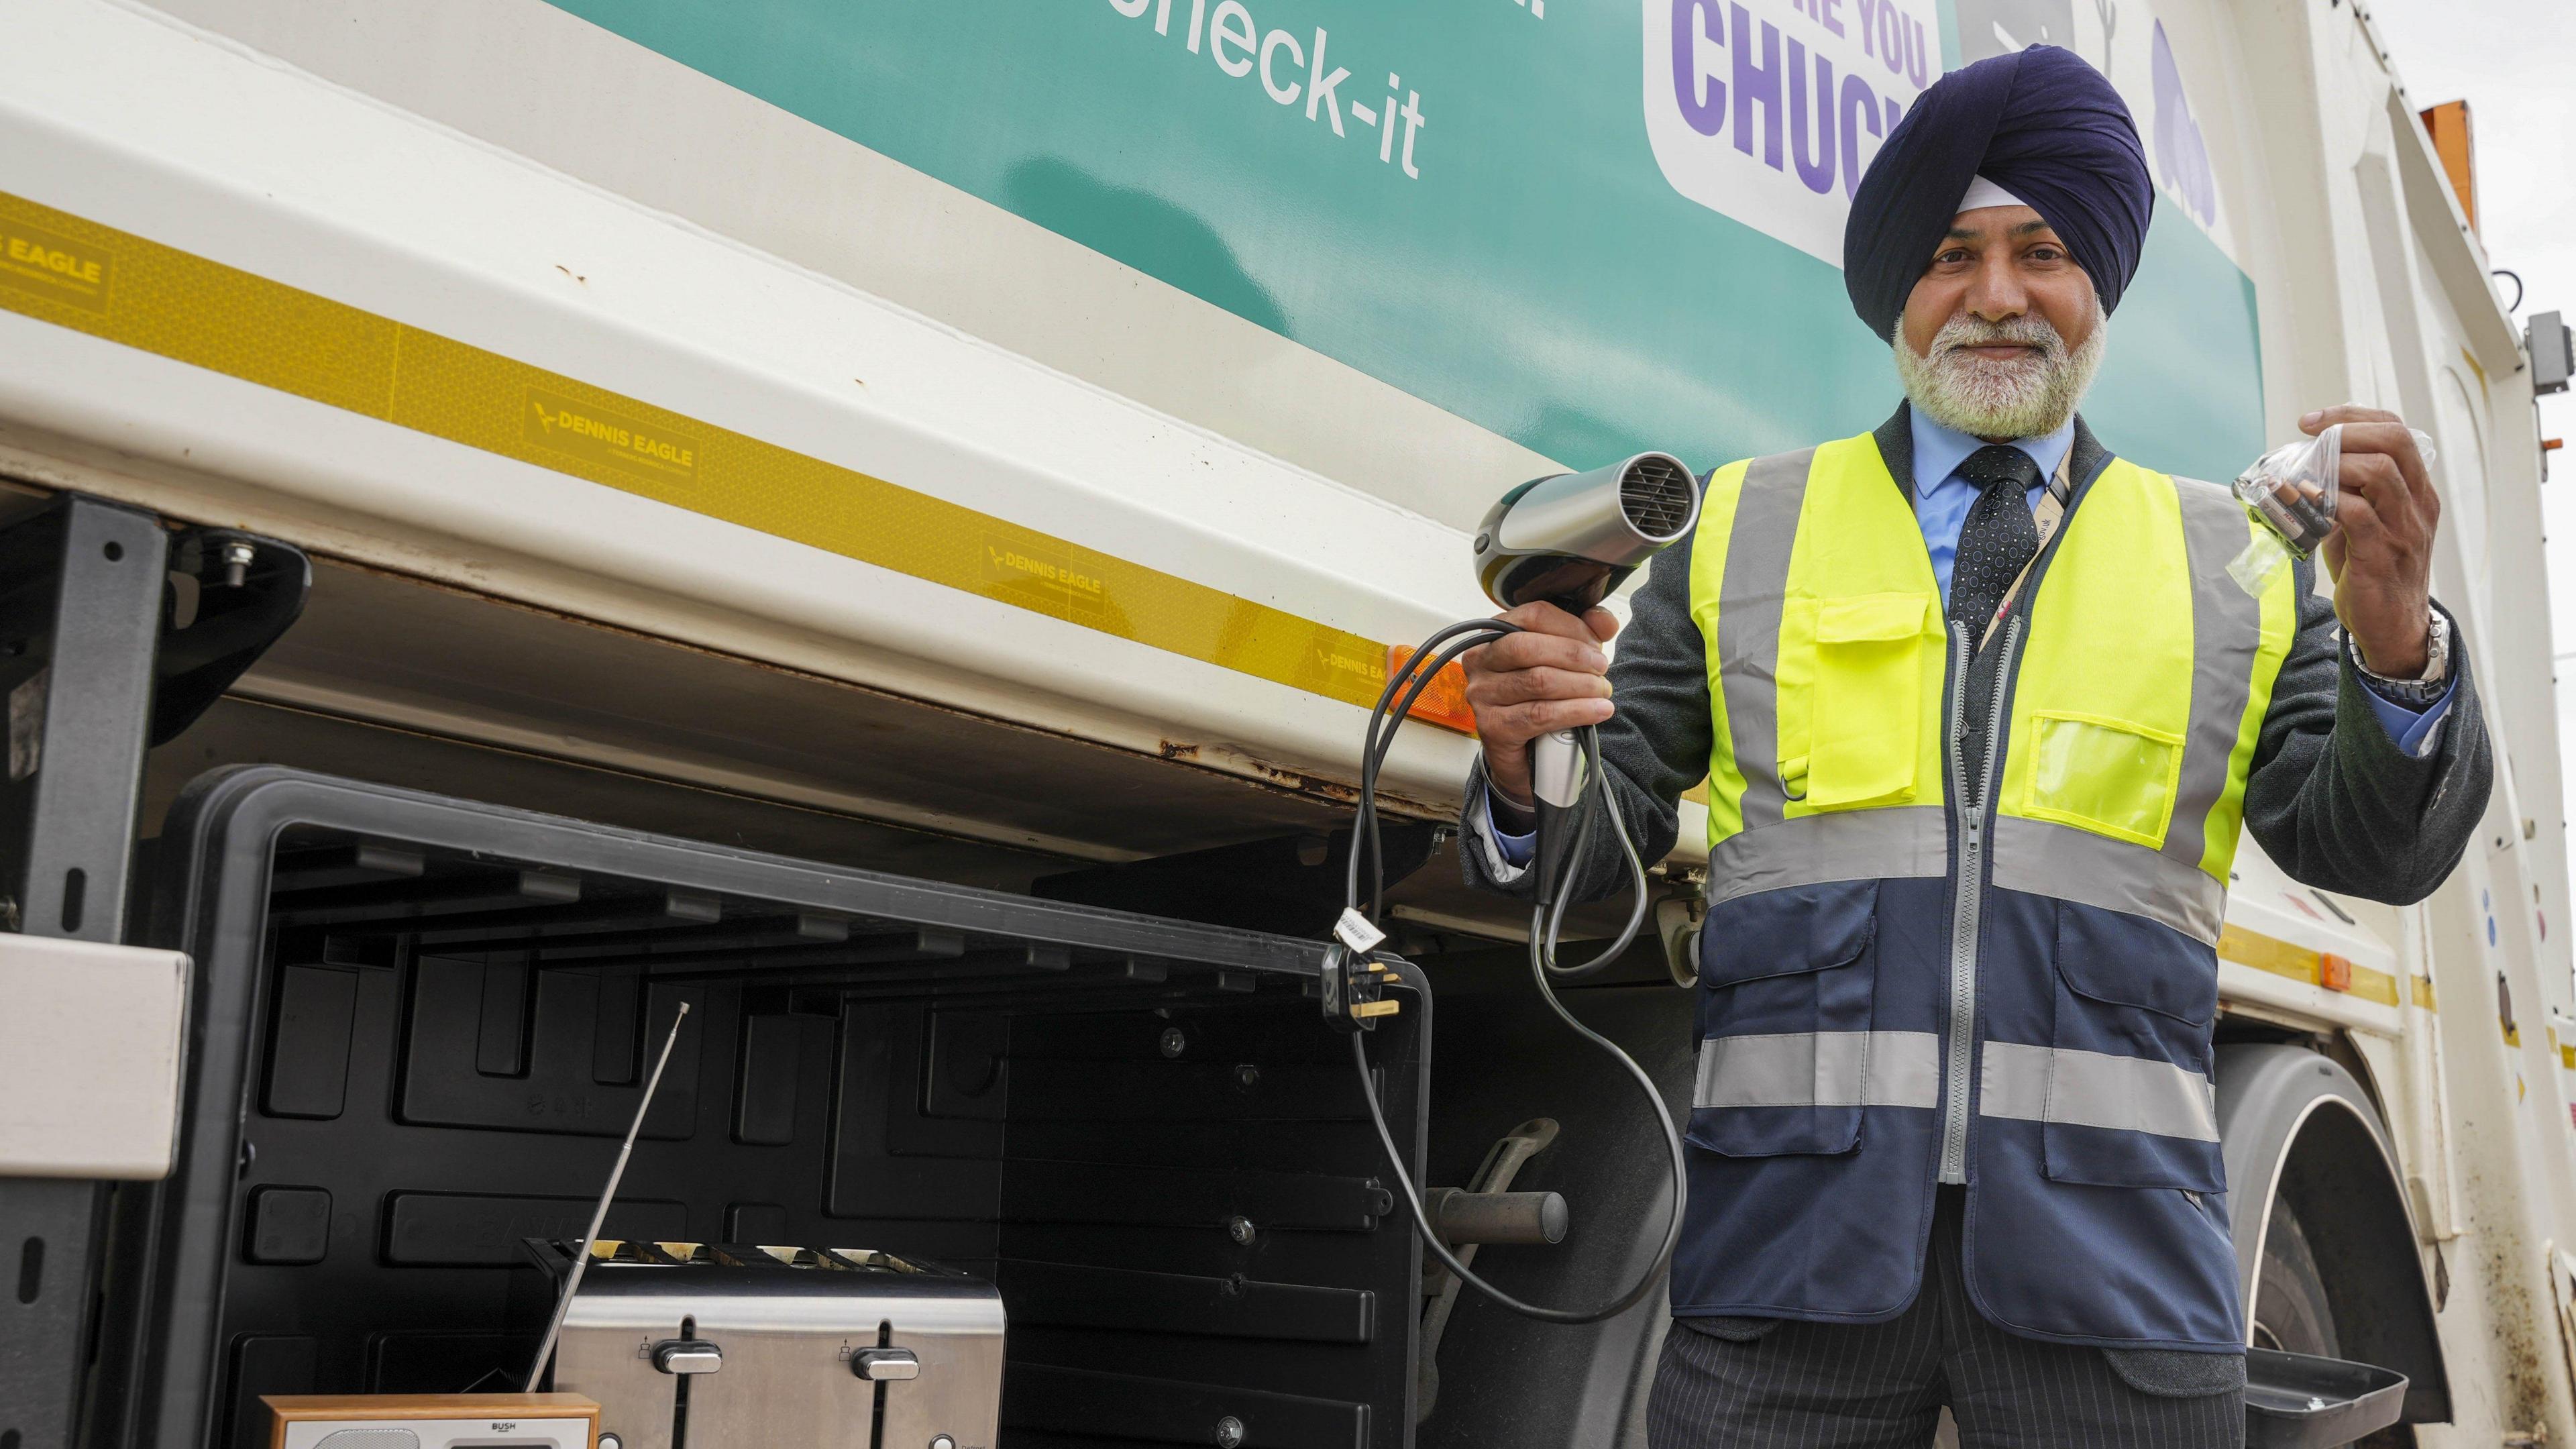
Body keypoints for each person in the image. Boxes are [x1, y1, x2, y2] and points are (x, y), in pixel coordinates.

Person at [1456, 44, 2490, 1449]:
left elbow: (2369, 849)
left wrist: (2396, 650)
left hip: (2116, 1286)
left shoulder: (2235, 563)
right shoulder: (1742, 526)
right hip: (1789, 1277)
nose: (1997, 297)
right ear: (1900, 288)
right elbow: (1595, 866)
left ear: (2097, 287)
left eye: (2042, 250)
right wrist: (1529, 773)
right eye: (1950, 252)